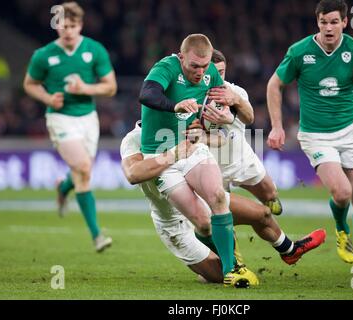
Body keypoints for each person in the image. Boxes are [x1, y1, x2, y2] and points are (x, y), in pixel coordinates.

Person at [120, 121, 326, 285]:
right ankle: (219, 267)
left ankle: (290, 250)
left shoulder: (178, 126)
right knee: (216, 276)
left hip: (200, 200)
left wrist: (207, 136)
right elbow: (133, 173)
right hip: (175, 224)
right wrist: (173, 155)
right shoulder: (133, 140)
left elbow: (221, 141)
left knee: (262, 213)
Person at [266, 0, 353, 275]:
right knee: (342, 191)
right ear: (317, 23)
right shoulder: (300, 52)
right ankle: (342, 231)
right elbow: (275, 84)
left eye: (334, 22)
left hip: (350, 131)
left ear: (345, 22)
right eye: (324, 22)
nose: (329, 27)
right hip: (316, 135)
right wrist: (277, 126)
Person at [138, 34, 241, 284]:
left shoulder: (210, 74)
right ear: (181, 56)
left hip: (191, 147)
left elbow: (226, 104)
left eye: (205, 66)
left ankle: (232, 270)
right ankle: (226, 259)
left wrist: (227, 113)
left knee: (217, 196)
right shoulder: (166, 67)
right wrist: (175, 106)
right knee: (202, 222)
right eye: (194, 66)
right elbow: (147, 94)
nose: (200, 71)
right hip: (161, 153)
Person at [23, 2, 117, 252]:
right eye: (64, 26)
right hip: (60, 118)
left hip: (88, 119)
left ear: (81, 26)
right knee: (85, 169)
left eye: (73, 26)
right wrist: (47, 98)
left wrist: (85, 89)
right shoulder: (43, 55)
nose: (68, 31)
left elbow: (110, 86)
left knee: (80, 174)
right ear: (57, 26)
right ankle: (98, 236)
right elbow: (30, 84)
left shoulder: (94, 50)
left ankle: (63, 187)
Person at [204, 49, 283, 215]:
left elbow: (250, 118)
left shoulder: (236, 92)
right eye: (213, 73)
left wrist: (237, 101)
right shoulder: (193, 96)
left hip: (240, 158)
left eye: (221, 72)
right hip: (211, 166)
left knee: (271, 195)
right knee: (220, 216)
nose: (218, 77)